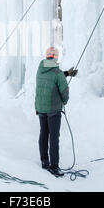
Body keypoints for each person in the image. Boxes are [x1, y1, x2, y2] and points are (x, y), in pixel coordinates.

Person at [35, 47, 78, 177]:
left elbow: (50, 77)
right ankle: (54, 167)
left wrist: (66, 73)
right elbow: (64, 92)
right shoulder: (58, 73)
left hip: (41, 108)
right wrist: (64, 102)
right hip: (53, 110)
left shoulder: (40, 69)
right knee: (54, 137)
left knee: (44, 133)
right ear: (56, 57)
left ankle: (44, 161)